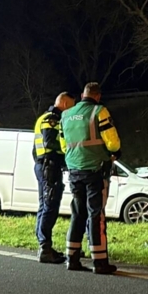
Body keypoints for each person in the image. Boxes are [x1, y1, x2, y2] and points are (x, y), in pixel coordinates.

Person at [61, 82, 121, 275]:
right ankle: (100, 262)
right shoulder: (99, 111)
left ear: (82, 95)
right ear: (98, 96)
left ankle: (72, 258)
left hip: (74, 170)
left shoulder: (66, 114)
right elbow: (112, 140)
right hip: (95, 169)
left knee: (78, 212)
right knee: (96, 214)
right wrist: (115, 153)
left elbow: (64, 145)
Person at [33, 92, 75, 264]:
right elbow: (51, 144)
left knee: (46, 205)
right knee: (49, 206)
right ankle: (45, 247)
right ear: (64, 103)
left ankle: (45, 246)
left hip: (47, 166)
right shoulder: (51, 119)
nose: (73, 109)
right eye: (72, 105)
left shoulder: (49, 118)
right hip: (48, 166)